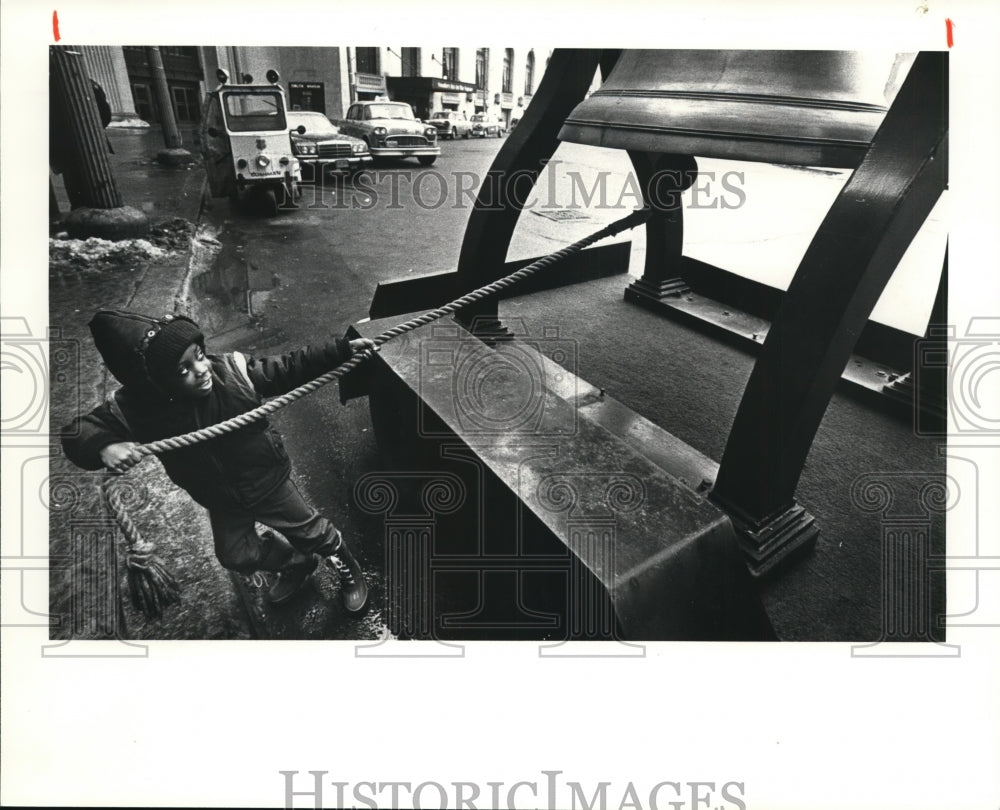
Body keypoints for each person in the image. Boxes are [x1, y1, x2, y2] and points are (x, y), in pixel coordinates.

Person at [61, 309, 377, 612]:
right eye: (183, 370)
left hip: (266, 480)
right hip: (220, 497)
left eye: (199, 354)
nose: (201, 370)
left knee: (313, 533)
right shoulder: (138, 408)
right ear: (154, 384)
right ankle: (295, 563)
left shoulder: (233, 373)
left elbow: (289, 367)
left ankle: (348, 569)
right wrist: (104, 446)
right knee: (235, 554)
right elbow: (77, 432)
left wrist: (340, 352)